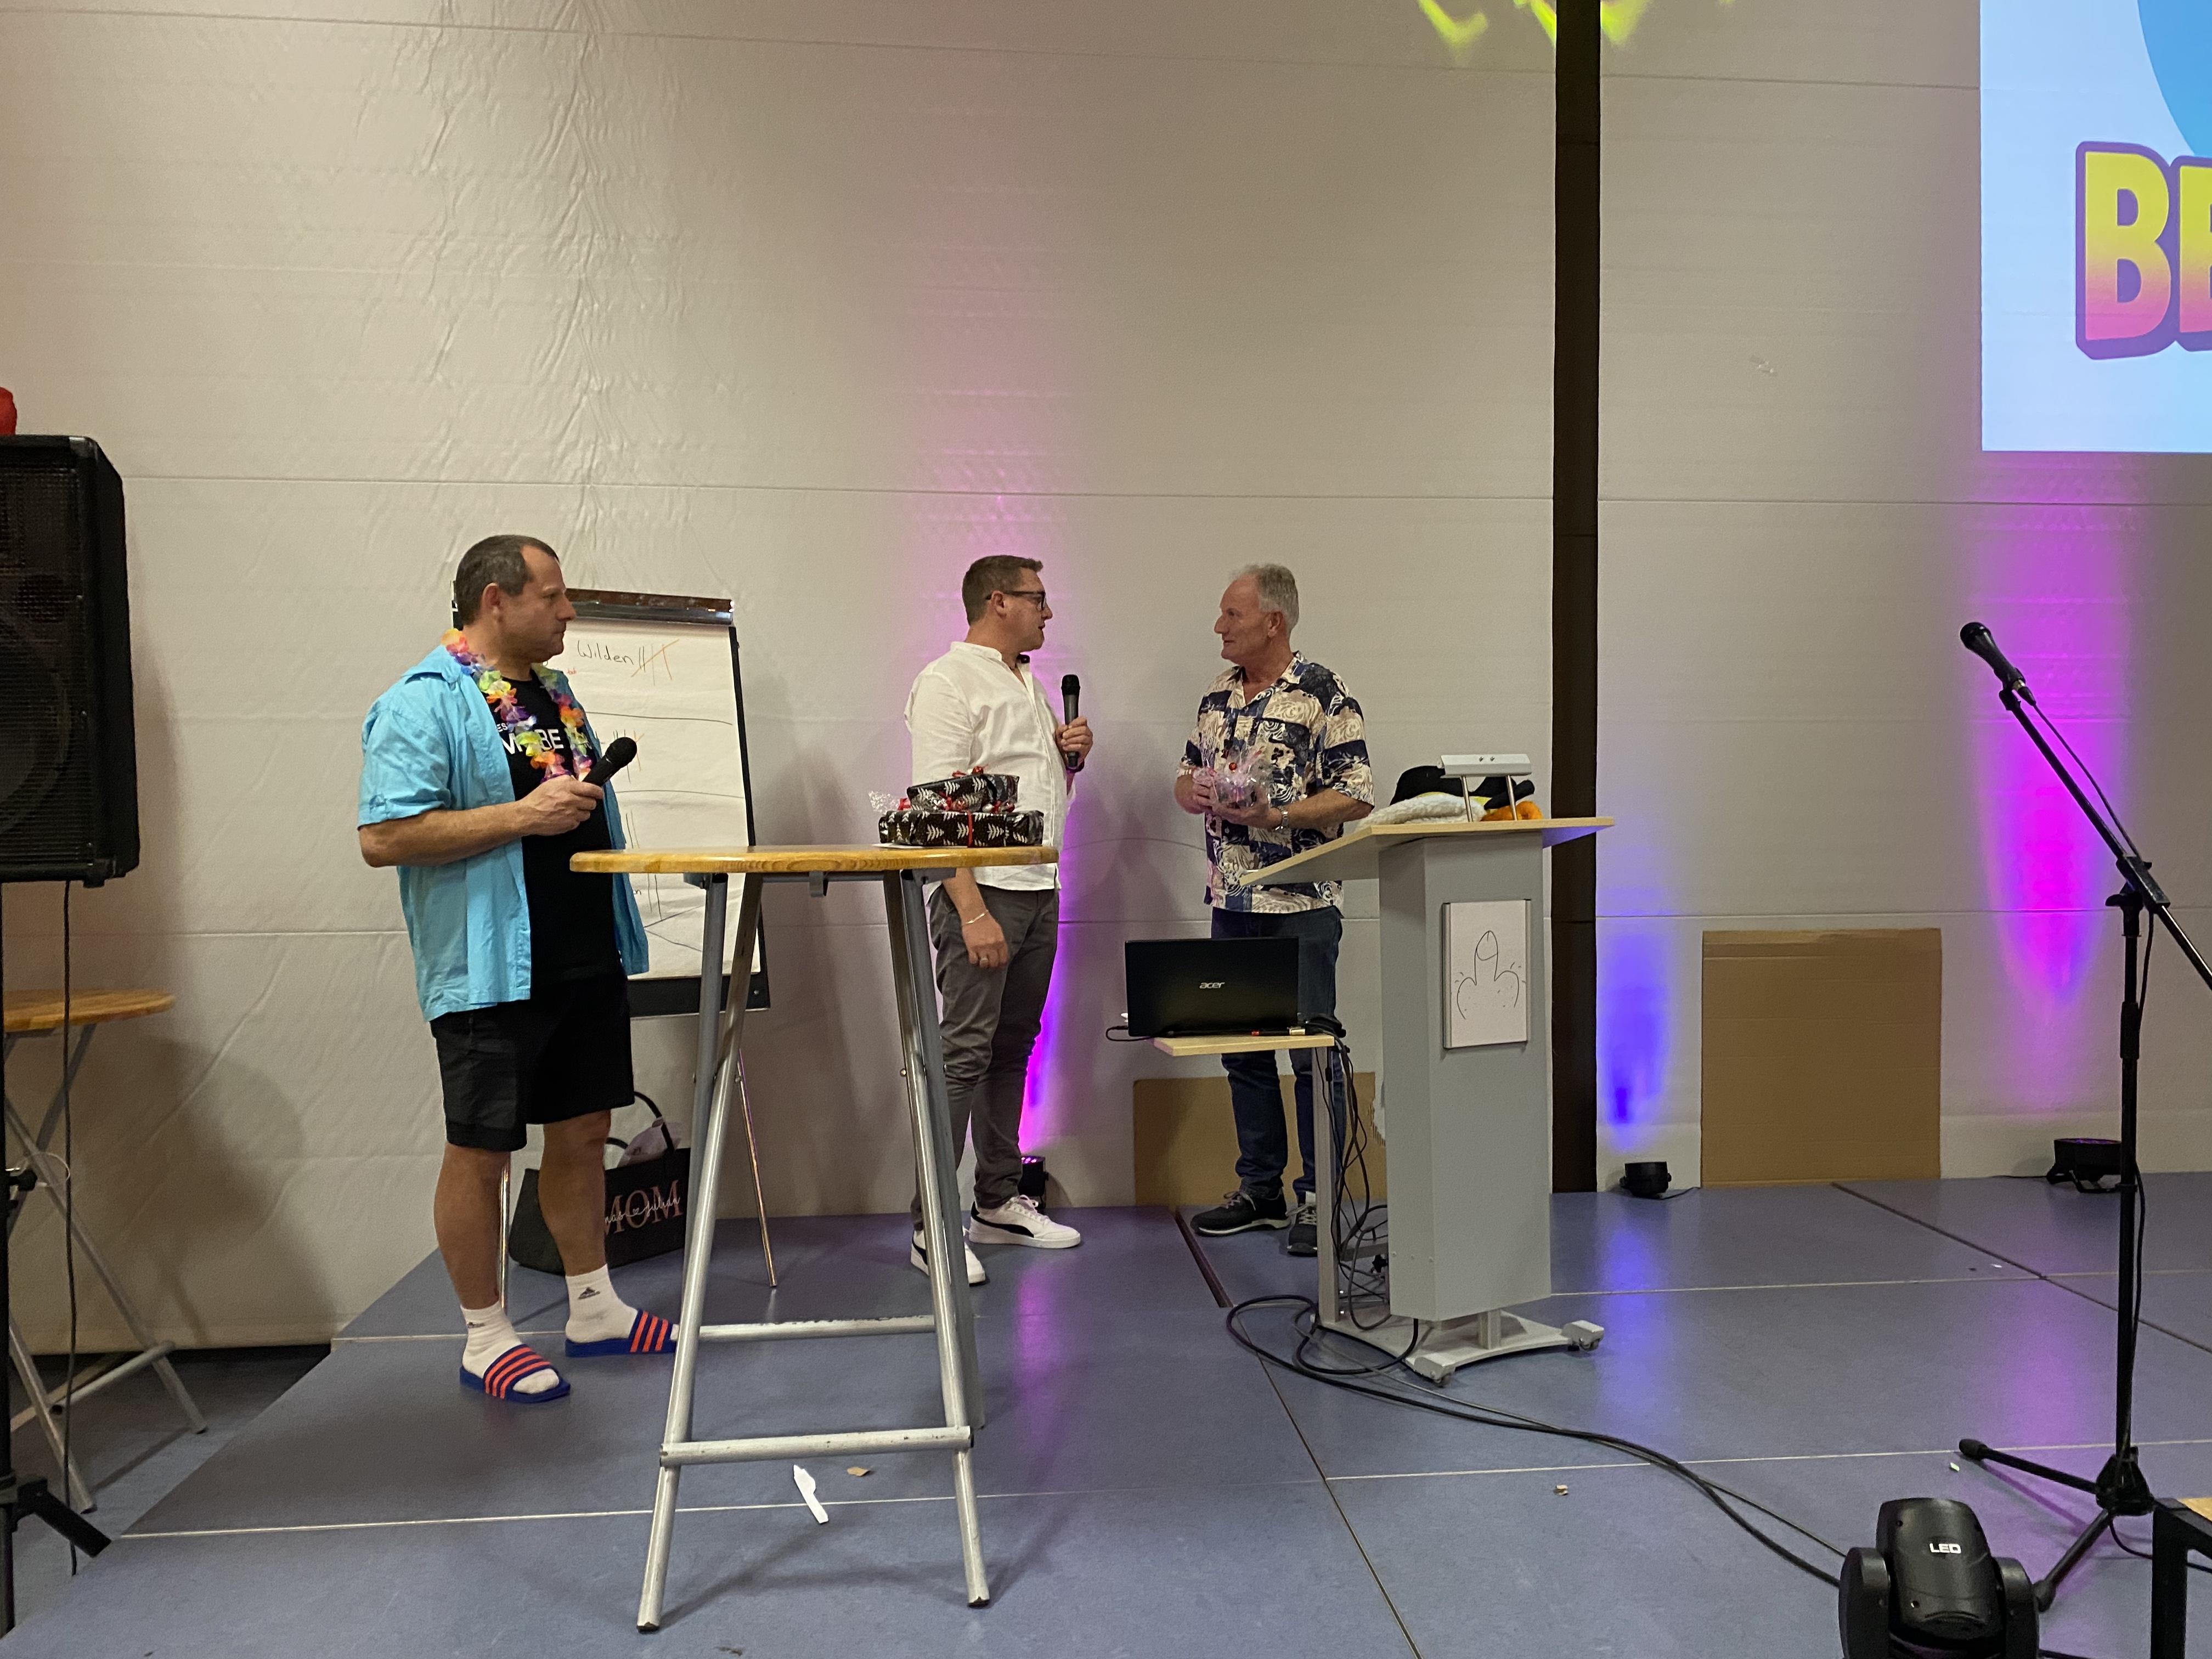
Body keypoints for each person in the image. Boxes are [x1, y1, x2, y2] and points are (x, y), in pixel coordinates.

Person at [358, 535, 673, 1404]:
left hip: (584, 953)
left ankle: (594, 1308)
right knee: (482, 1151)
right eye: (553, 595)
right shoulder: (422, 700)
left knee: (583, 1131)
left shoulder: (557, 695)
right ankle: (486, 1335)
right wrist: (522, 816)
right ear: (496, 600)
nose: (569, 611)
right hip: (491, 969)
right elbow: (383, 837)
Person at [904, 555, 1093, 1282]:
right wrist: (971, 908)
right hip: (984, 894)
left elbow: (1028, 796)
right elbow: (936, 811)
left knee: (1013, 1049)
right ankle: (931, 1224)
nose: (1049, 612)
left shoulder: (1026, 682)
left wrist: (1068, 761)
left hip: (1038, 887)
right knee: (964, 1054)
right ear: (997, 602)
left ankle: (996, 1201)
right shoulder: (948, 682)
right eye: (1037, 599)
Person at [1175, 565, 1373, 1254]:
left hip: (1301, 902)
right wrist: (1194, 792)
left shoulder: (1323, 693)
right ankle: (1260, 1189)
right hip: (1232, 899)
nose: (1219, 627)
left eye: (1231, 615)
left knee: (1312, 1054)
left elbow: (1357, 794)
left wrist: (1278, 814)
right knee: (1244, 1052)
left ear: (1272, 622)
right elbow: (1184, 775)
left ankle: (1321, 1198)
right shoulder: (1216, 696)